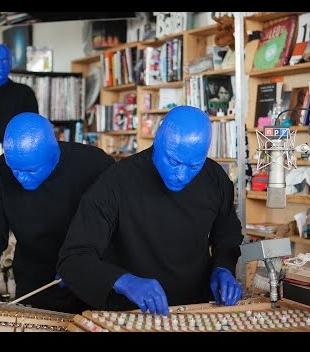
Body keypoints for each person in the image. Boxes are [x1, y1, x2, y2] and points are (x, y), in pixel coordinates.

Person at [57, 105, 243, 315]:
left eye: (193, 166)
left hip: (195, 309)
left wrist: (223, 268)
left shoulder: (215, 179)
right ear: (157, 140)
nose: (181, 174)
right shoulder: (115, 182)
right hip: (130, 312)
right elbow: (73, 258)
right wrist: (124, 281)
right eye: (173, 161)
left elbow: (227, 237)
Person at [0, 112, 115, 313]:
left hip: (91, 278)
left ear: (54, 154)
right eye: (15, 169)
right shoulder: (0, 170)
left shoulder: (95, 164)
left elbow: (117, 225)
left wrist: (82, 265)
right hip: (35, 280)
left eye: (31, 171)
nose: (21, 178)